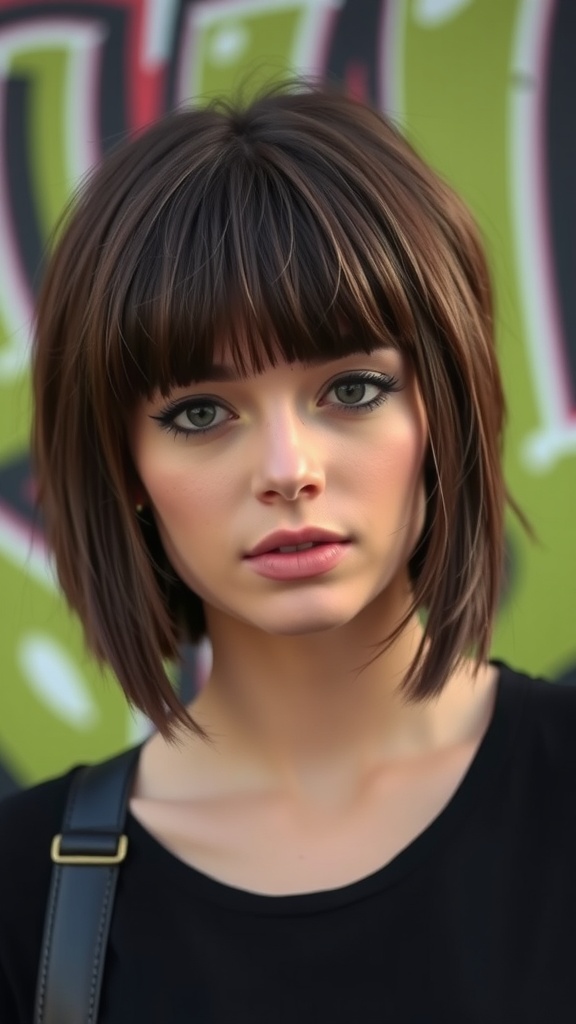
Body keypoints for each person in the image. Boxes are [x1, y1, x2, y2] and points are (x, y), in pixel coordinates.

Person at [1, 82, 575, 1024]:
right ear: (125, 465)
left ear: (443, 409)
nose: (287, 469)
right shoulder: (30, 895)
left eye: (351, 390)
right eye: (200, 413)